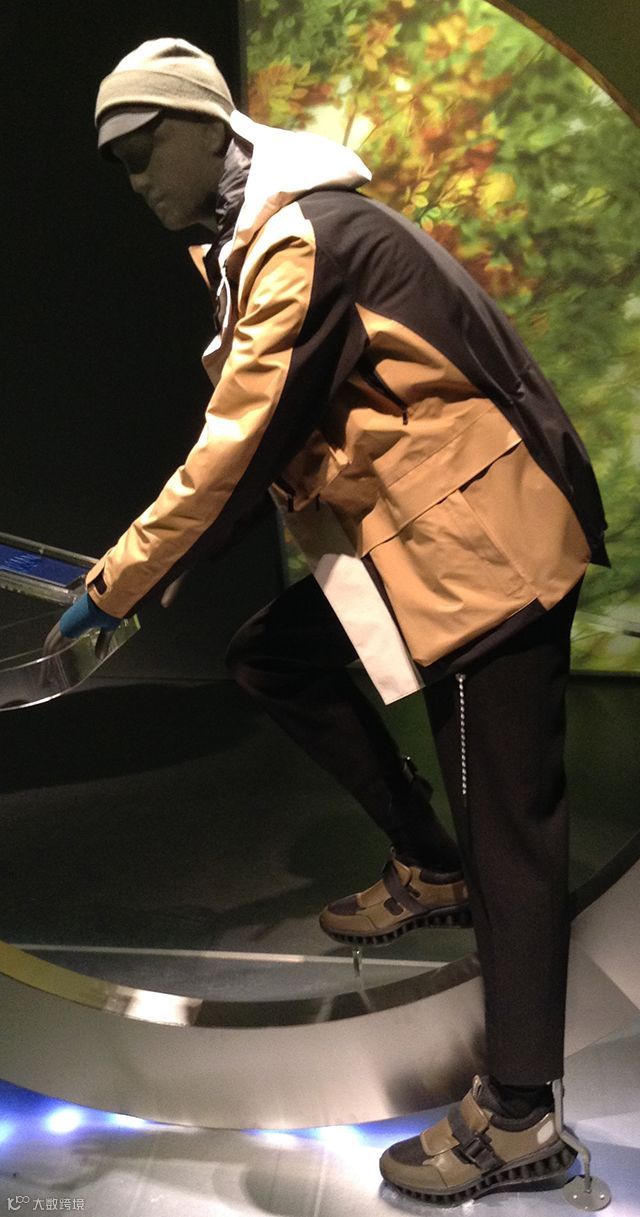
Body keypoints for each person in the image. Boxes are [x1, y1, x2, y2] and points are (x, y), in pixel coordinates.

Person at [43, 37, 608, 1206]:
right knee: (277, 656)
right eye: (120, 164)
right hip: (416, 537)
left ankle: (522, 1116)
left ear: (209, 125)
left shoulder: (305, 235)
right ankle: (430, 862)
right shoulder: (258, 235)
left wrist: (120, 580)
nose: (139, 181)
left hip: (482, 548)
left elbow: (238, 441)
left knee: (510, 830)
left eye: (147, 150)